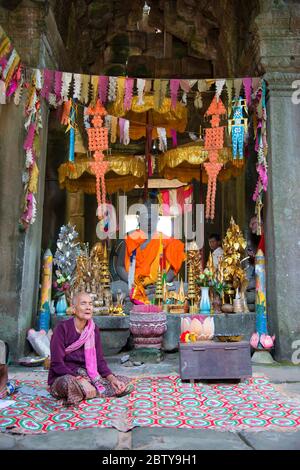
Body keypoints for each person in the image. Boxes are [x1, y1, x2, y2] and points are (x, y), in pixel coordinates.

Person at [48, 292, 133, 405]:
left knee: (123, 381)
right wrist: (79, 380)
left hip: (88, 376)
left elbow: (99, 361)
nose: (88, 307)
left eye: (90, 304)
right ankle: (87, 391)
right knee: (68, 384)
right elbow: (57, 364)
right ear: (73, 309)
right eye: (83, 304)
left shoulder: (93, 330)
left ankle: (83, 393)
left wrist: (112, 379)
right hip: (65, 376)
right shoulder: (62, 329)